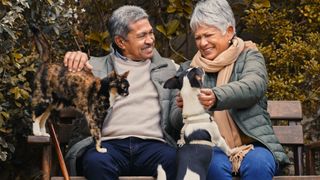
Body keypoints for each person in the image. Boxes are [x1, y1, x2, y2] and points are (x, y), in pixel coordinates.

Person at [169, 0, 290, 179]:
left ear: (229, 32)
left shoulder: (250, 56)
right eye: (198, 37)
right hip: (208, 145)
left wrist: (216, 97)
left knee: (258, 165)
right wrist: (187, 108)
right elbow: (173, 120)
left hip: (252, 145)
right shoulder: (188, 70)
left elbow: (253, 86)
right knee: (211, 165)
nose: (203, 43)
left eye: (209, 35)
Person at [63, 5, 179, 180]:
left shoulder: (169, 68)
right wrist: (74, 61)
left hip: (154, 146)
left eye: (150, 33)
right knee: (96, 162)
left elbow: (176, 118)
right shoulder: (93, 67)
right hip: (107, 146)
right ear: (121, 42)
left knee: (175, 159)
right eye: (142, 36)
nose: (150, 40)